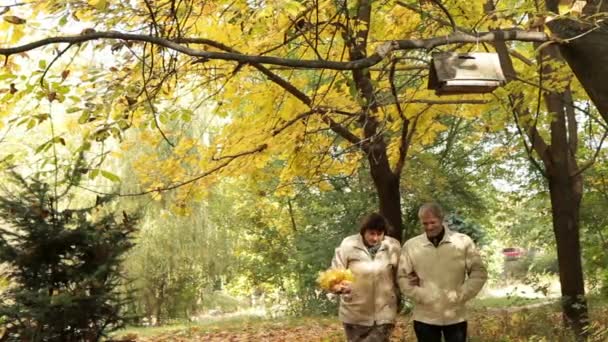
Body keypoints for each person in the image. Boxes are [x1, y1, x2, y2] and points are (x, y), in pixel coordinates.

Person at [397, 203, 487, 342]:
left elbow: (478, 272)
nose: (429, 227)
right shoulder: (411, 246)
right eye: (425, 223)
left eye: (433, 222)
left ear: (442, 219)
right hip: (424, 317)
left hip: (455, 316)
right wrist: (420, 295)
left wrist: (461, 294)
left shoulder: (462, 242)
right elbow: (402, 276)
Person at [329, 212, 401, 342]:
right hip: (354, 313)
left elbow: (401, 275)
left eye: (379, 234)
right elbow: (335, 272)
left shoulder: (393, 246)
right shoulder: (348, 244)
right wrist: (338, 287)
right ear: (363, 232)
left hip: (384, 313)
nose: (375, 238)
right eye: (371, 233)